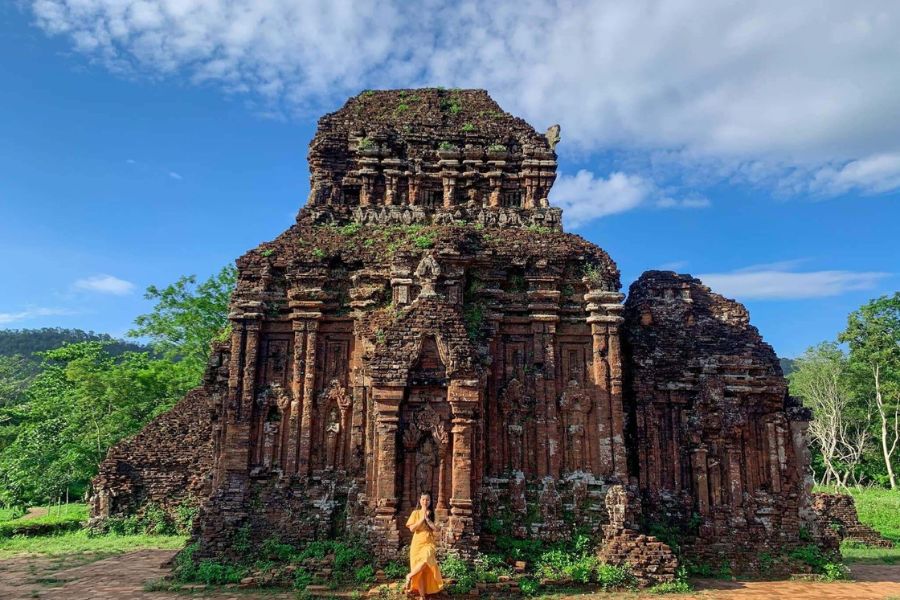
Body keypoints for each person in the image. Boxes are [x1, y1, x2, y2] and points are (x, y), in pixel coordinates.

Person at [404, 492, 443, 599]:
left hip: (428, 542)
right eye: (423, 499)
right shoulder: (415, 513)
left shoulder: (433, 514)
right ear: (420, 500)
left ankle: (409, 575)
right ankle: (422, 597)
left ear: (430, 501)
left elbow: (436, 529)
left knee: (427, 559)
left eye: (428, 500)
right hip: (417, 543)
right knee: (420, 571)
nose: (425, 502)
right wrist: (422, 518)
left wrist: (427, 519)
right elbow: (412, 529)